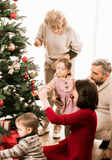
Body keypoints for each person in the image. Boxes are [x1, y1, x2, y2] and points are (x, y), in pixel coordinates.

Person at [34, 9, 83, 138]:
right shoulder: (44, 27)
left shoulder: (70, 31)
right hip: (49, 64)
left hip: (65, 65)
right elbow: (39, 38)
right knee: (48, 94)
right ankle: (45, 124)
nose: (55, 31)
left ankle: (57, 126)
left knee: (62, 96)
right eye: (52, 29)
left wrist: (63, 60)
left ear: (63, 24)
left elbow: (77, 49)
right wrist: (38, 42)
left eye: (58, 29)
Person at [37, 79, 98, 160]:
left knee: (40, 153)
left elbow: (55, 119)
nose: (73, 93)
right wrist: (56, 144)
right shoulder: (86, 112)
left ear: (82, 94)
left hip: (76, 156)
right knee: (42, 151)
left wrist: (44, 100)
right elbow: (74, 136)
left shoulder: (87, 114)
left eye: (75, 90)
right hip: (71, 149)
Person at [32, 58, 79, 138]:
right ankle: (67, 141)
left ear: (68, 71)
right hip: (63, 107)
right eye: (58, 68)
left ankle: (75, 139)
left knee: (74, 125)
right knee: (67, 125)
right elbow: (47, 86)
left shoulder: (73, 80)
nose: (59, 70)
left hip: (74, 106)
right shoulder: (55, 81)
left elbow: (79, 89)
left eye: (63, 69)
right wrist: (38, 91)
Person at [89, 59, 112, 159]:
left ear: (106, 76)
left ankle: (108, 140)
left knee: (89, 127)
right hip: (93, 109)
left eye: (95, 73)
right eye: (91, 71)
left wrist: (111, 148)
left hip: (107, 114)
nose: (90, 75)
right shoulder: (92, 79)